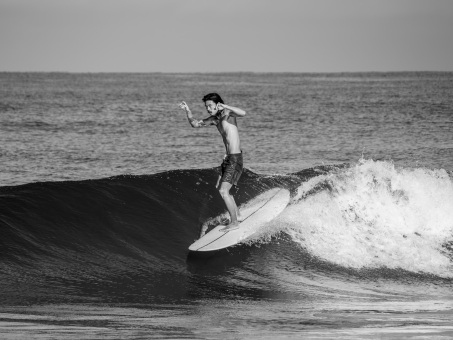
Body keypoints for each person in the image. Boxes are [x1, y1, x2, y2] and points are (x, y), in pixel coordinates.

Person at [179, 93, 246, 233]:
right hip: (228, 158)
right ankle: (237, 214)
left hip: (235, 157)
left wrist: (226, 106)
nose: (208, 109)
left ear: (218, 104)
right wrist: (187, 110)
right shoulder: (215, 119)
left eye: (210, 106)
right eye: (206, 107)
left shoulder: (228, 113)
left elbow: (243, 113)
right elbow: (195, 124)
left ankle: (234, 222)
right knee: (220, 187)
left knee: (223, 191)